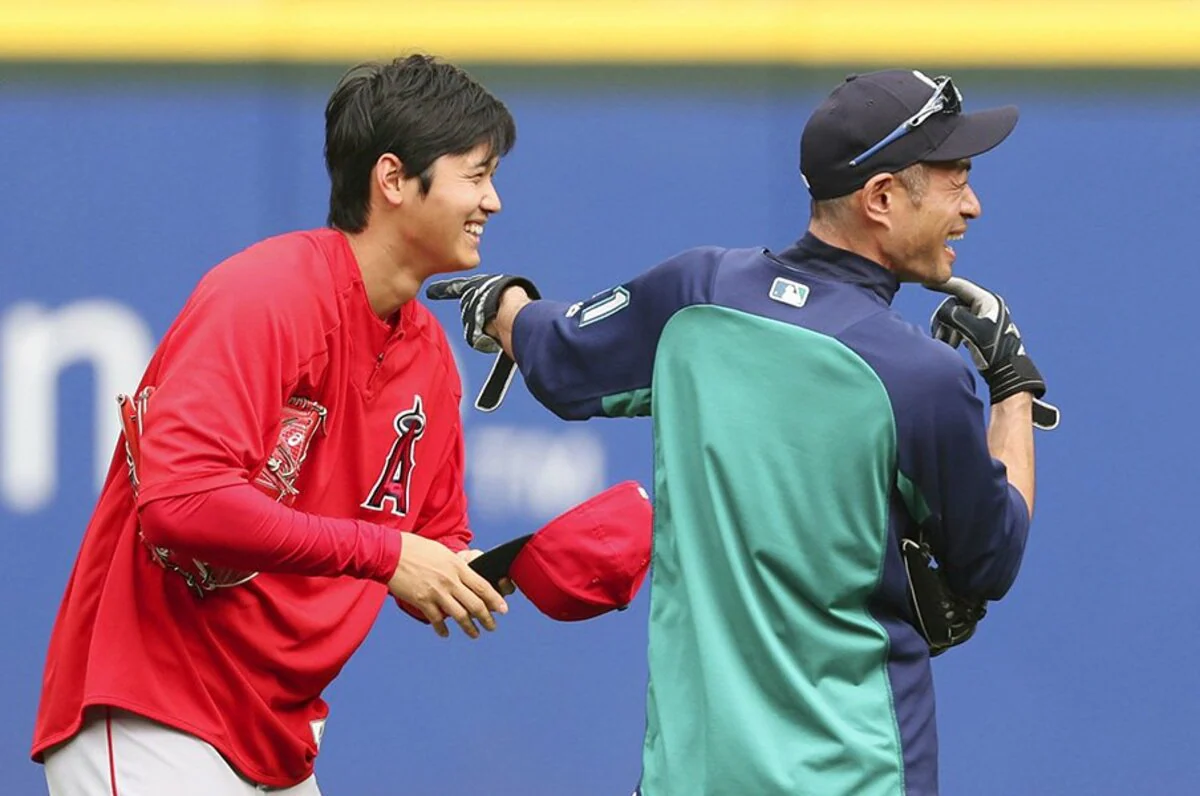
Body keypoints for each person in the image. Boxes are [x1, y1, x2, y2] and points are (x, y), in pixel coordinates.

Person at [428, 69, 1055, 795]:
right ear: (881, 199)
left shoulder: (698, 296)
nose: (971, 205)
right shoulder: (920, 379)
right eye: (954, 179)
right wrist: (1011, 388)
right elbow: (993, 560)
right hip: (858, 776)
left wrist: (500, 304)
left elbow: (556, 352)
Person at [32, 54, 514, 795]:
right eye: (475, 174)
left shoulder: (428, 359)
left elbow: (436, 549)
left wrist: (552, 562)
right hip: (155, 707)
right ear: (392, 179)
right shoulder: (269, 292)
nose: (494, 201)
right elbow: (180, 503)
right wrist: (386, 555)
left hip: (276, 741)